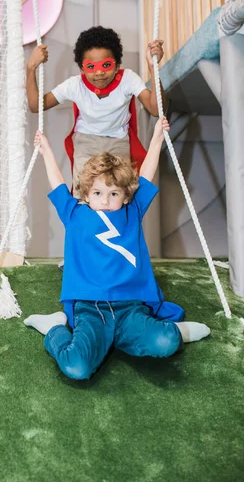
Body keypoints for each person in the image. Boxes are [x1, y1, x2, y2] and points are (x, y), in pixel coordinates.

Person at [24, 118, 210, 381]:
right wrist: (45, 150)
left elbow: (145, 175)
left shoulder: (132, 212)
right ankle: (55, 328)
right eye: (98, 193)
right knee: (76, 367)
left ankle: (160, 332)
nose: (106, 200)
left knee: (166, 342)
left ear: (125, 195)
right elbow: (57, 182)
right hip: (90, 308)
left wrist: (157, 137)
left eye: (113, 194)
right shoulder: (74, 213)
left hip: (130, 307)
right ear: (86, 194)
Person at [26, 26, 166, 192]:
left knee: (122, 191)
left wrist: (152, 67)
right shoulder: (75, 85)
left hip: (118, 141)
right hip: (86, 141)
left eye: (106, 65)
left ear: (117, 65)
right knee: (84, 191)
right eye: (91, 66)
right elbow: (36, 106)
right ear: (81, 68)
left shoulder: (127, 79)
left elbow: (155, 109)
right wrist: (31, 68)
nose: (99, 72)